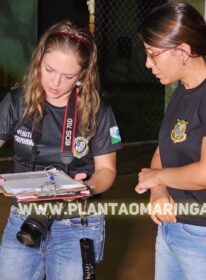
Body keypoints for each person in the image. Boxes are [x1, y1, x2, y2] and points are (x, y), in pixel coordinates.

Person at [0, 21, 122, 279]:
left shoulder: (98, 112)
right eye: (49, 69)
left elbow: (107, 171)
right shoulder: (15, 102)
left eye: (68, 76)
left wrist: (86, 187)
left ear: (83, 74)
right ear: (38, 61)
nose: (55, 82)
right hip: (26, 216)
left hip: (77, 222)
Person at [135, 1, 206, 279]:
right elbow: (163, 151)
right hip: (171, 228)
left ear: (182, 51)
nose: (148, 63)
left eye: (153, 54)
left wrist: (157, 177)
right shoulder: (181, 93)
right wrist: (159, 190)